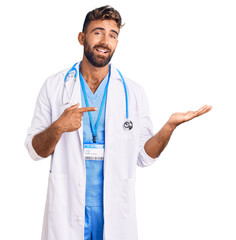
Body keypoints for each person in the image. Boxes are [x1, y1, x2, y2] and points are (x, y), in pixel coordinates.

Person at [25, 5, 212, 240]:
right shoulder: (54, 87)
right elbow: (35, 151)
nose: (105, 41)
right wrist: (58, 127)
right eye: (98, 32)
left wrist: (169, 127)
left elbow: (144, 157)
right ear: (82, 38)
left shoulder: (133, 93)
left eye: (112, 35)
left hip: (114, 216)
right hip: (66, 211)